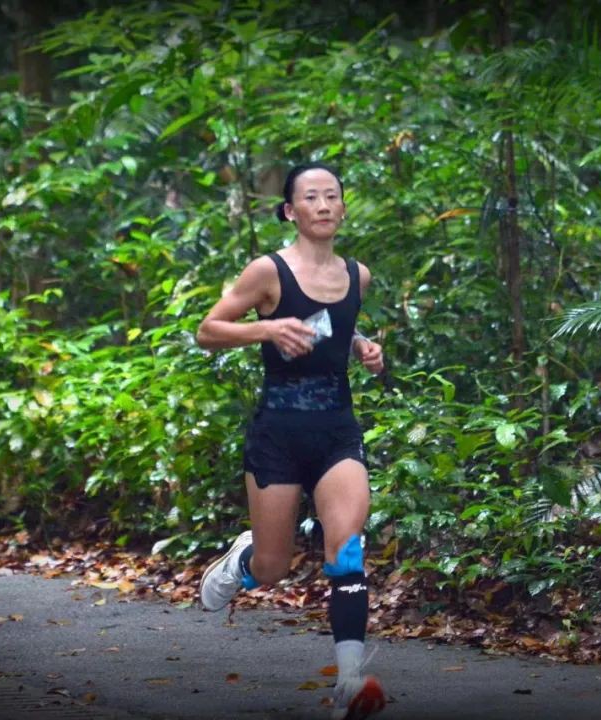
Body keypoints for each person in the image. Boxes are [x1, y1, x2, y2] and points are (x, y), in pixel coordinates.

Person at [194, 162, 386, 720]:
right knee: (275, 566)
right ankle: (244, 560)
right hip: (278, 434)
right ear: (290, 211)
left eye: (333, 196)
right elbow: (208, 331)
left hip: (336, 432)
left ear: (344, 208)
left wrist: (363, 348)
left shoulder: (358, 275)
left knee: (347, 546)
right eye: (311, 197)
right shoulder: (268, 271)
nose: (323, 205)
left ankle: (349, 683)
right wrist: (266, 327)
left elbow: (335, 328)